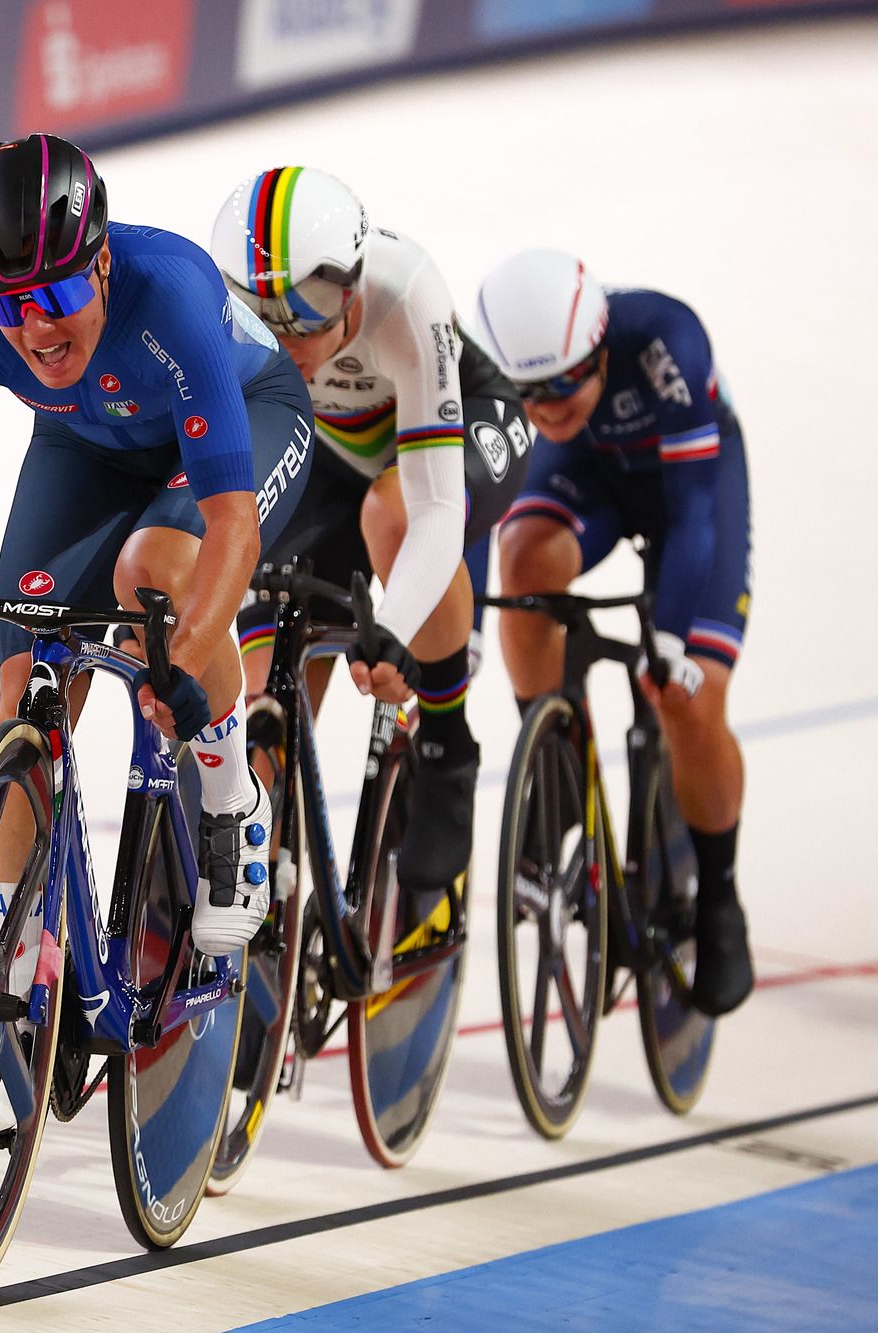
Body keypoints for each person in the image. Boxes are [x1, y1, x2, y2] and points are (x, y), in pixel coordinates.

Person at [0, 134, 316, 1130]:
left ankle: (232, 800)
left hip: (244, 419)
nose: (34, 327)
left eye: (54, 294)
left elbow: (230, 528)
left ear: (99, 263)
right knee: (27, 680)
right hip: (88, 441)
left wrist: (186, 660)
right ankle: (10, 983)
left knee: (157, 575)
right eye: (5, 307)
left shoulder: (170, 292)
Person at [209, 166, 530, 946]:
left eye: (305, 322)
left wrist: (391, 628)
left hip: (455, 437)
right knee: (262, 709)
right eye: (263, 322)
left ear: (349, 292)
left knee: (392, 512)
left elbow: (436, 509)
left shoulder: (404, 290)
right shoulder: (225, 311)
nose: (285, 344)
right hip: (331, 456)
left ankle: (447, 745)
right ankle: (258, 920)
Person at [475, 248, 754, 1017]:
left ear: (600, 350)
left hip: (691, 491)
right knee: (523, 563)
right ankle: (559, 769)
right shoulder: (515, 383)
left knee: (691, 699)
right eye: (528, 391)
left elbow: (694, 515)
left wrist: (670, 643)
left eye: (564, 383)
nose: (546, 406)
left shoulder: (667, 339)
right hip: (590, 476)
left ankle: (721, 894)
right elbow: (472, 502)